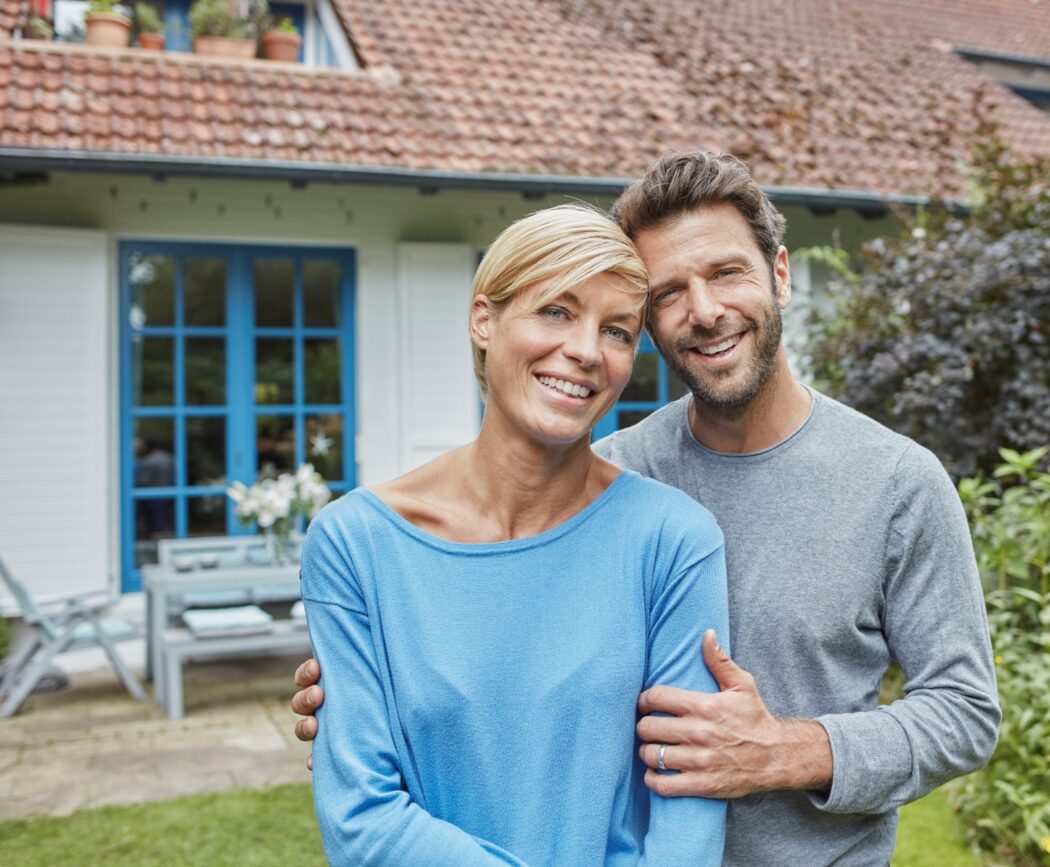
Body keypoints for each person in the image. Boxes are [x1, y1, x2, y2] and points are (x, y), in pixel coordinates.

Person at [293, 153, 1000, 866]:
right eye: (668, 293)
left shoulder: (897, 482)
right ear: (652, 326)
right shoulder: (611, 477)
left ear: (779, 274)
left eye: (727, 272)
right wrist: (373, 689)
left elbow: (966, 710)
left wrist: (788, 750)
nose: (705, 309)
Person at [299, 204, 729, 866]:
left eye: (616, 330)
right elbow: (361, 819)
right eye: (556, 310)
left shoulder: (673, 541)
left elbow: (688, 813)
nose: (586, 351)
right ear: (484, 319)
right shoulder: (355, 545)